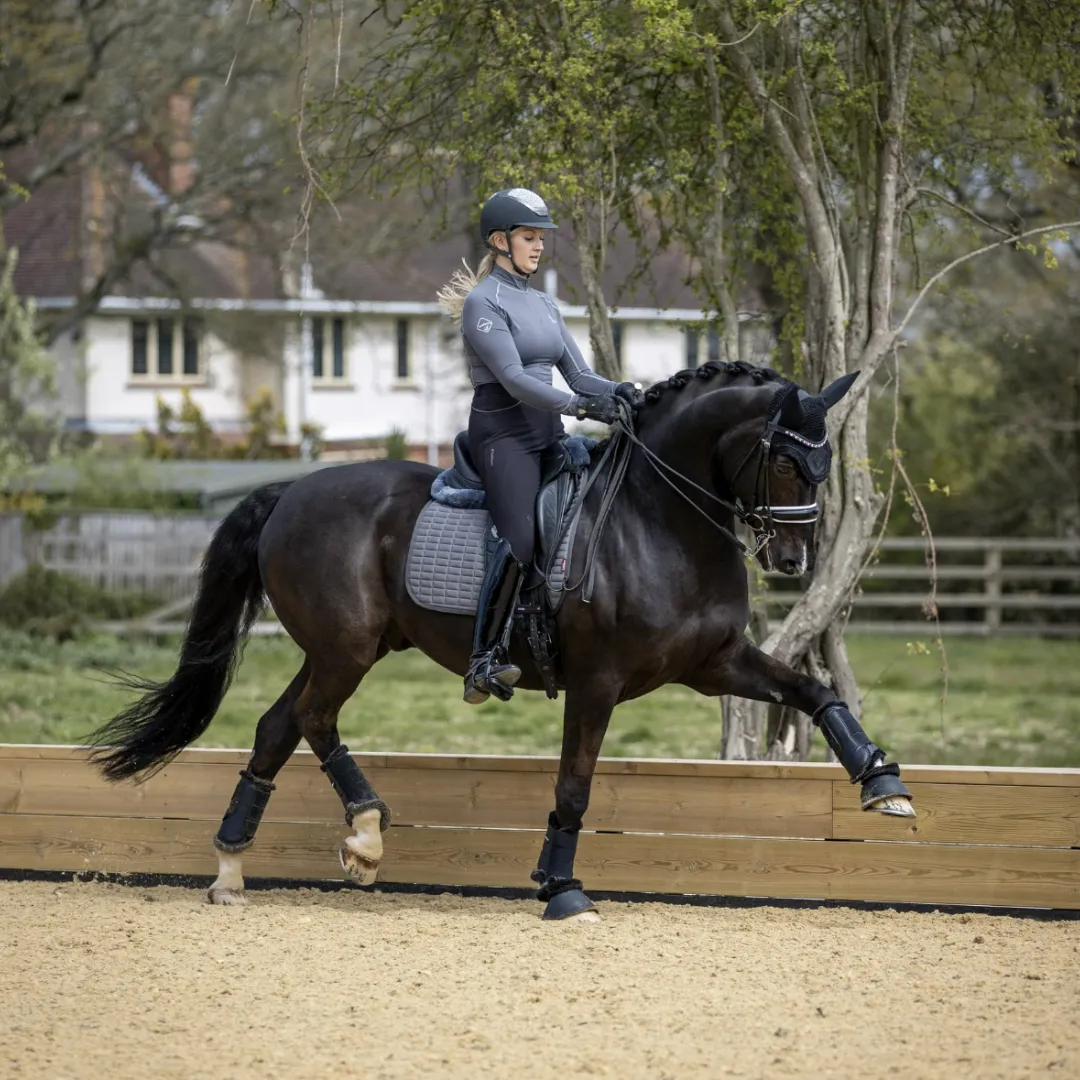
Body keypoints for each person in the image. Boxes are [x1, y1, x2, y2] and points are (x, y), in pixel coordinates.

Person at [436, 187, 644, 705]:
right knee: (521, 539)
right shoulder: (484, 303)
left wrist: (624, 392)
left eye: (541, 238)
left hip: (549, 435)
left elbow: (579, 373)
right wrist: (576, 407)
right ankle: (484, 658)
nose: (539, 247)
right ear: (500, 240)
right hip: (504, 438)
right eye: (530, 237)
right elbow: (512, 378)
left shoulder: (543, 302)